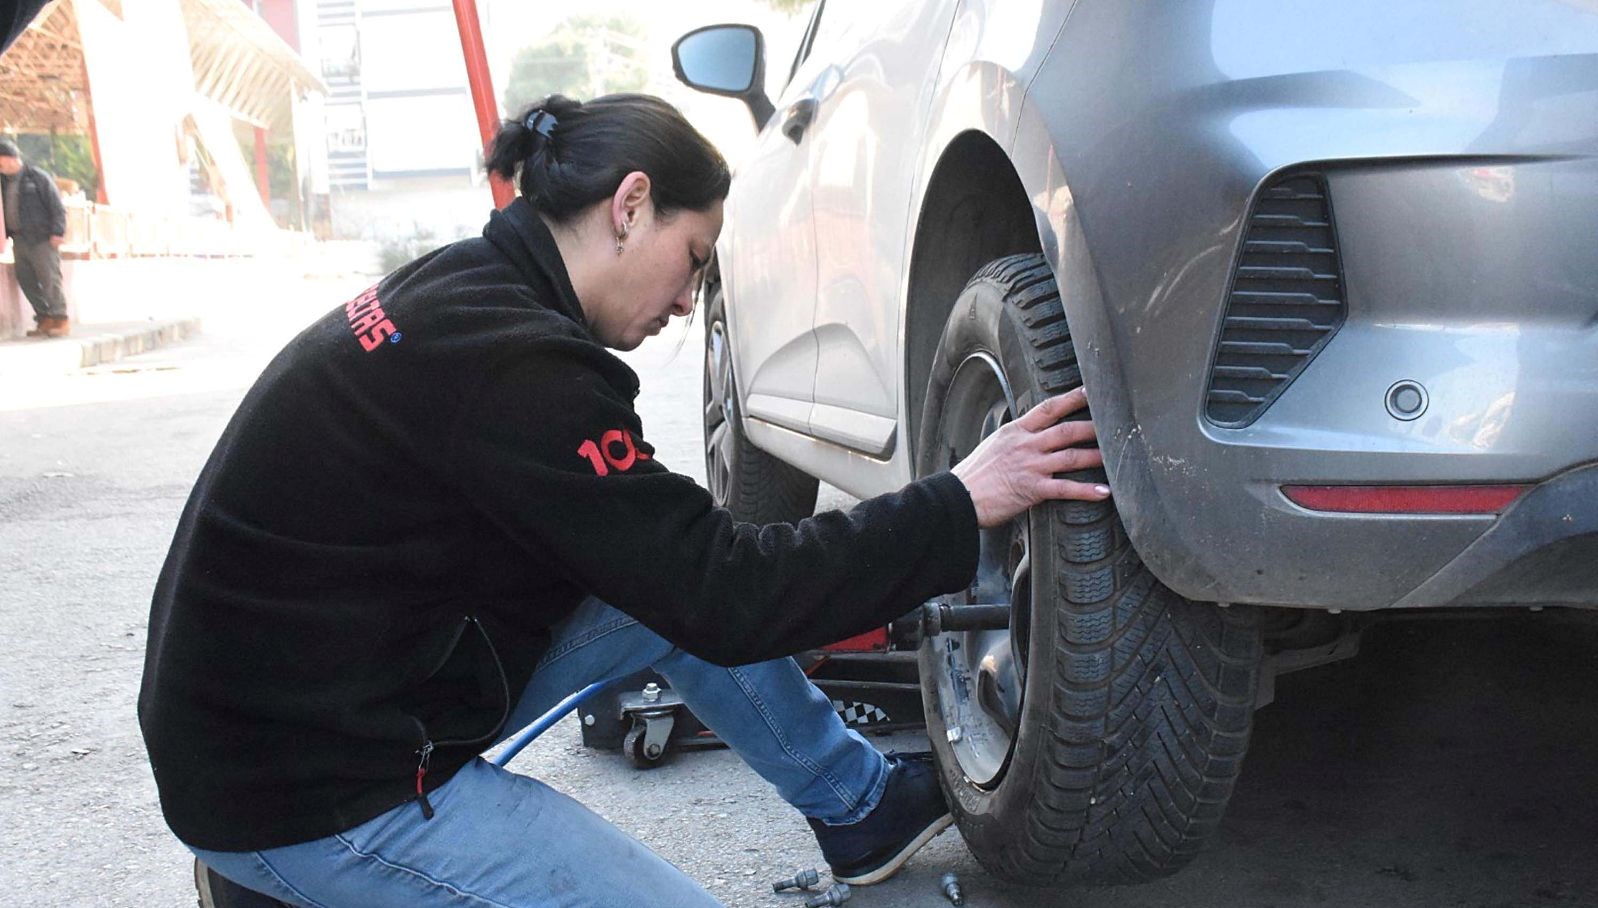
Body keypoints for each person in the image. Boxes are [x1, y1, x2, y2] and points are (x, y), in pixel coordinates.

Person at [138, 93, 1111, 908]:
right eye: (694, 258)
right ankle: (295, 879)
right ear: (631, 206)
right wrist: (958, 499)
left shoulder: (472, 291)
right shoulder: (516, 367)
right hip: (310, 788)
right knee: (690, 592)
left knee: (655, 587)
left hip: (301, 708)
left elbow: (673, 563)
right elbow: (729, 591)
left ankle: (859, 809)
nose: (690, 301)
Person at [0, 137, 69, 338]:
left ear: (10, 158)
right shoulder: (3, 182)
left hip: (42, 239)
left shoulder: (37, 177)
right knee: (26, 280)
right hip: (19, 240)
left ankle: (60, 318)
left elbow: (56, 206)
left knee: (49, 279)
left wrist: (58, 231)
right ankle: (44, 318)